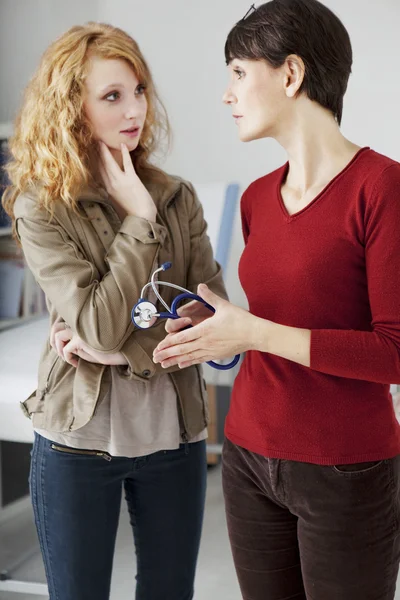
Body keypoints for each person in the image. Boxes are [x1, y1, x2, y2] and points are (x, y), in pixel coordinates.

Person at [152, 1, 400, 598]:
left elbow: (394, 353)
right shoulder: (257, 199)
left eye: (239, 72)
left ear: (290, 74)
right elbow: (273, 323)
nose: (227, 93)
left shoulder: (382, 188)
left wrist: (254, 331)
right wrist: (215, 328)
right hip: (246, 455)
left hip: (346, 469)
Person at [2, 22, 226, 600]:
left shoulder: (177, 195)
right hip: (77, 441)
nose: (135, 110)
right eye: (112, 96)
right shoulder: (42, 206)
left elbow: (209, 314)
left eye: (140, 91)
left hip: (174, 436)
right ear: (72, 109)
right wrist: (138, 219)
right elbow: (99, 322)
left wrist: (107, 344)